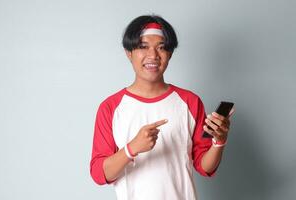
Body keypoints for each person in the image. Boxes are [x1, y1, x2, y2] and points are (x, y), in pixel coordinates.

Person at [90, 14, 235, 200]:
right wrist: (131, 148)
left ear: (170, 54)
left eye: (161, 48)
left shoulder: (190, 102)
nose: (153, 55)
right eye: (143, 46)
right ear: (129, 53)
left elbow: (204, 166)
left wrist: (219, 141)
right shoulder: (110, 107)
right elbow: (99, 173)